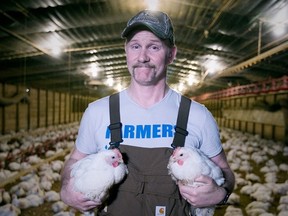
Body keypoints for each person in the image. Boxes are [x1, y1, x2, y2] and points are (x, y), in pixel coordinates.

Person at [60, 9, 235, 216]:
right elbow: (73, 162)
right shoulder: (97, 111)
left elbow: (225, 173)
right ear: (126, 51)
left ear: (171, 54)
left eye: (154, 46)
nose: (142, 56)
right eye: (135, 46)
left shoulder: (197, 115)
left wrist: (220, 195)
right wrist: (65, 189)